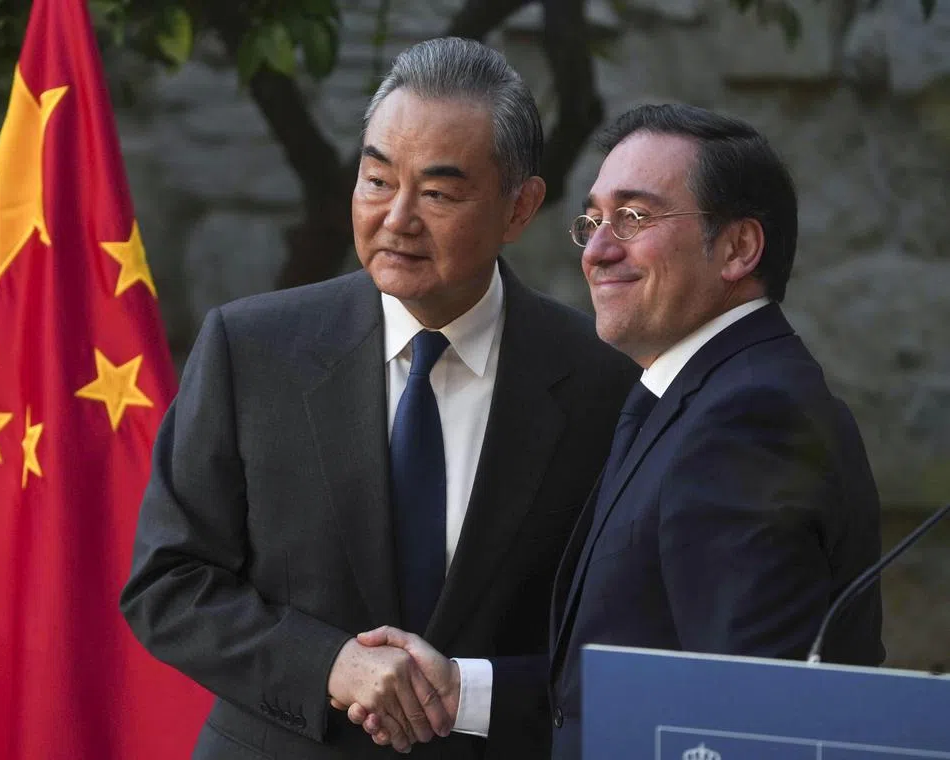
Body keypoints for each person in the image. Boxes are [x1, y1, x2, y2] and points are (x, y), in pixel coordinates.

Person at [119, 37, 638, 759]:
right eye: (376, 180)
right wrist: (330, 665)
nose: (397, 218)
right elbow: (168, 585)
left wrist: (468, 692)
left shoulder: (599, 384)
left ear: (519, 209)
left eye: (438, 193)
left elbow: (618, 641)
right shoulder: (252, 348)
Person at [351, 103, 886, 758]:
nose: (599, 252)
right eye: (594, 222)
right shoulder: (695, 398)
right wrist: (460, 689)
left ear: (739, 248)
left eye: (633, 218)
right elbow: (639, 675)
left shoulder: (748, 420)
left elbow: (743, 726)